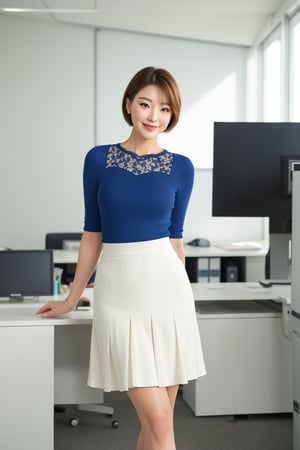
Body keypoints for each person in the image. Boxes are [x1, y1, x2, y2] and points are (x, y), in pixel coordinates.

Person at [37, 66, 206, 450]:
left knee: (158, 427)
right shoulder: (98, 160)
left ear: (172, 114)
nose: (153, 116)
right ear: (128, 105)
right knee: (159, 420)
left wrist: (187, 300)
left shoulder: (182, 167)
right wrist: (69, 297)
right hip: (119, 293)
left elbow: (175, 240)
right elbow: (92, 234)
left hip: (168, 294)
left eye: (164, 109)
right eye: (145, 104)